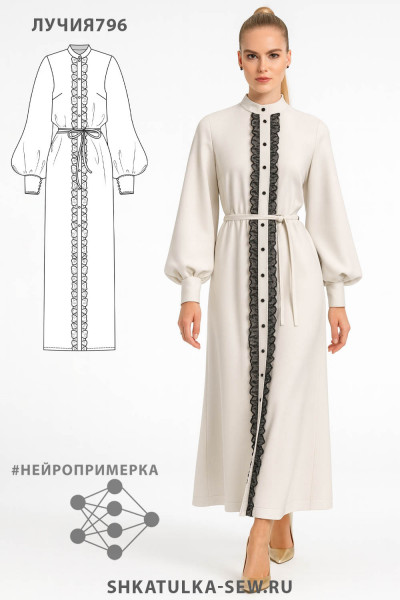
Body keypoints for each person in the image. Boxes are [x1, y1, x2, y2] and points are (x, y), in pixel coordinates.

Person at [164, 6, 362, 593]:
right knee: (245, 402)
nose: (263, 66)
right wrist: (191, 291)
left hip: (297, 282)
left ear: (289, 58)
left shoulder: (312, 131)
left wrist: (336, 296)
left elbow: (327, 213)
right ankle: (282, 516)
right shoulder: (213, 128)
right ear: (239, 60)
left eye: (273, 55)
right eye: (252, 55)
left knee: (287, 403)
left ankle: (257, 534)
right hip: (233, 282)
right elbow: (196, 209)